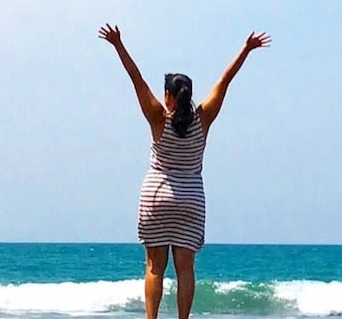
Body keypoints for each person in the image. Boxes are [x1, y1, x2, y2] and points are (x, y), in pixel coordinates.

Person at [98, 23, 270, 319]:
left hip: (156, 197)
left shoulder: (157, 118)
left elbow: (136, 78)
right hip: (190, 200)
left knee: (155, 267)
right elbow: (225, 80)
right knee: (185, 269)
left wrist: (118, 45)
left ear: (168, 95)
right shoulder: (203, 119)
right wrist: (246, 49)